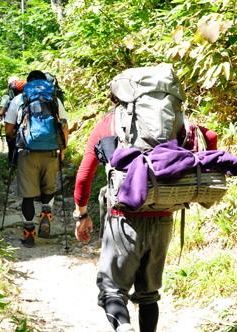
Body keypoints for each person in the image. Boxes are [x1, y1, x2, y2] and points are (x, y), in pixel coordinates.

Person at [72, 93, 218, 332]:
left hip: (123, 220)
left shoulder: (108, 123)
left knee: (112, 291)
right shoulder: (173, 120)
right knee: (149, 294)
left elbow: (84, 176)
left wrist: (81, 214)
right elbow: (209, 136)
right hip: (163, 216)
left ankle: (124, 328)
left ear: (115, 97)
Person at [5, 70, 69, 248]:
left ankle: (29, 234)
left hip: (27, 152)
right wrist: (62, 149)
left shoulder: (19, 99)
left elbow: (8, 129)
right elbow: (64, 125)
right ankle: (46, 215)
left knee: (28, 194)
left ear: (28, 83)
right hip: (51, 150)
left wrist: (13, 140)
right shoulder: (54, 99)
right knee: (49, 186)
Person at [0, 76, 20, 165]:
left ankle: (11, 166)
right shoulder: (26, 95)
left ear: (9, 85)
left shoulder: (7, 97)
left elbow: (2, 112)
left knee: (11, 147)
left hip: (12, 125)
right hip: (24, 125)